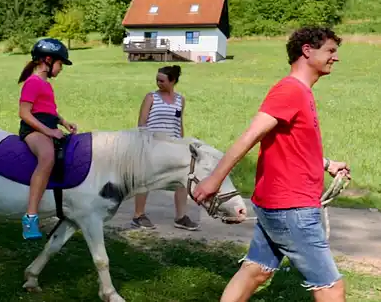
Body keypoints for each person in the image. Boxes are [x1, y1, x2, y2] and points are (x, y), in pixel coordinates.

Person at [192, 26, 351, 302]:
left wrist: (326, 164)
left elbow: (292, 146)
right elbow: (250, 137)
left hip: (278, 205)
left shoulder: (300, 92)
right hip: (293, 209)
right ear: (307, 51)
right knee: (331, 287)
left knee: (256, 272)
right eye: (330, 51)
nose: (335, 58)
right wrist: (214, 181)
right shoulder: (290, 91)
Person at [17, 37, 78, 240]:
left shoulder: (46, 85)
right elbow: (24, 113)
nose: (61, 69)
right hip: (33, 130)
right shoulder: (32, 83)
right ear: (48, 60)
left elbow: (49, 111)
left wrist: (63, 122)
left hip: (48, 126)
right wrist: (49, 132)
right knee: (47, 157)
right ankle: (31, 216)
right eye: (61, 64)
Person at [131, 65, 199, 231]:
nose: (158, 83)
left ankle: (181, 217)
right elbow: (142, 122)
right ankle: (138, 215)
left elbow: (179, 123)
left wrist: (182, 143)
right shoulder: (151, 97)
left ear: (173, 81)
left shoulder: (180, 100)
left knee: (182, 179)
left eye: (162, 80)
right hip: (153, 144)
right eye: (157, 80)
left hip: (173, 145)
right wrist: (145, 142)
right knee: (145, 179)